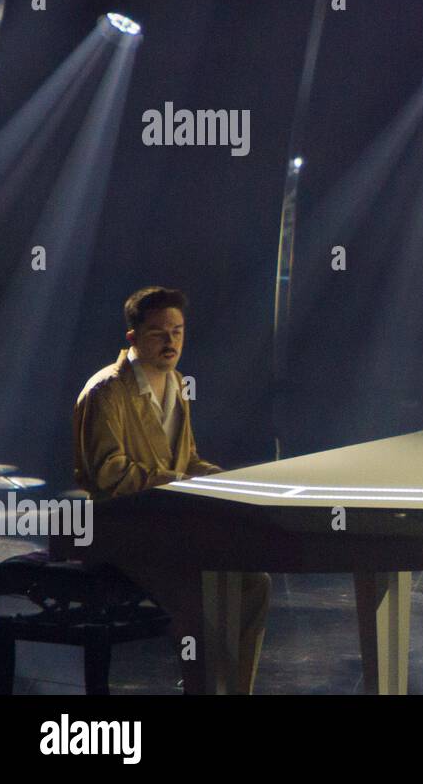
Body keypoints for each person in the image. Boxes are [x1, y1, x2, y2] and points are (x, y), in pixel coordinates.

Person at [73, 286, 270, 692]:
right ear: (133, 336)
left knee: (253, 582)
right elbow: (108, 471)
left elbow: (186, 458)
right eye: (159, 333)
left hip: (170, 527)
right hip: (121, 531)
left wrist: (222, 478)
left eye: (178, 332)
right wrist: (172, 482)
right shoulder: (106, 391)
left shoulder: (177, 383)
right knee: (200, 594)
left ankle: (235, 688)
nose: (171, 342)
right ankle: (202, 686)